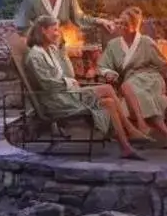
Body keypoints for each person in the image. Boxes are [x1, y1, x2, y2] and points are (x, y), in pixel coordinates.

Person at [22, 16, 147, 158]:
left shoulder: (49, 50)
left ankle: (127, 141)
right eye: (55, 30)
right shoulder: (35, 56)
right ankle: (128, 141)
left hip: (64, 93)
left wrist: (62, 50)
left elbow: (67, 72)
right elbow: (46, 83)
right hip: (57, 101)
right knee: (108, 99)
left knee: (108, 94)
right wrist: (68, 82)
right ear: (43, 30)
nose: (58, 33)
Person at [99, 6, 167, 141]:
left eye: (125, 24)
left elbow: (162, 64)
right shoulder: (113, 44)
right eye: (119, 23)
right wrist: (109, 72)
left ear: (135, 26)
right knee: (140, 95)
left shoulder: (146, 42)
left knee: (130, 89)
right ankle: (166, 135)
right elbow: (103, 65)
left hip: (150, 79)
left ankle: (141, 125)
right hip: (131, 81)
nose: (121, 26)